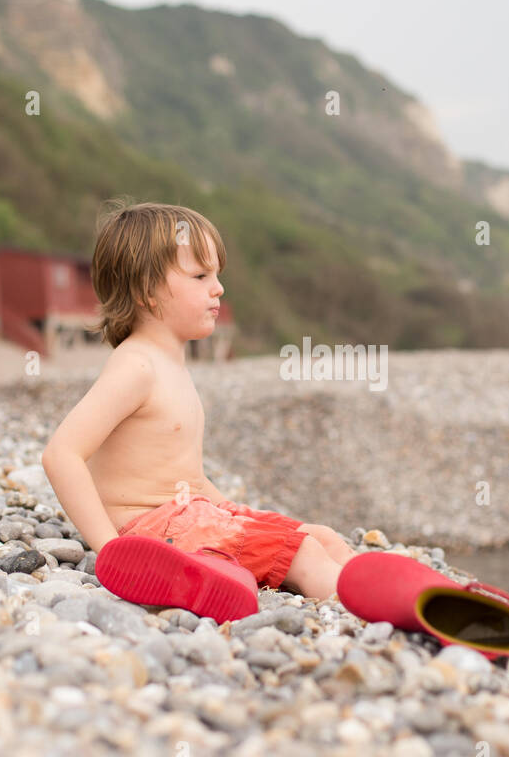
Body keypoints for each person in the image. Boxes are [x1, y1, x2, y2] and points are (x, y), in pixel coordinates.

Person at [41, 199, 354, 600]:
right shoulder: (137, 366)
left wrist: (232, 511)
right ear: (146, 291)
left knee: (318, 536)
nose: (218, 287)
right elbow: (62, 453)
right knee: (304, 553)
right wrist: (110, 549)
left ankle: (384, 590)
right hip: (152, 530)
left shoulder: (171, 366)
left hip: (186, 515)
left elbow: (184, 472)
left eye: (217, 274)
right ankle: (359, 613)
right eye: (201, 275)